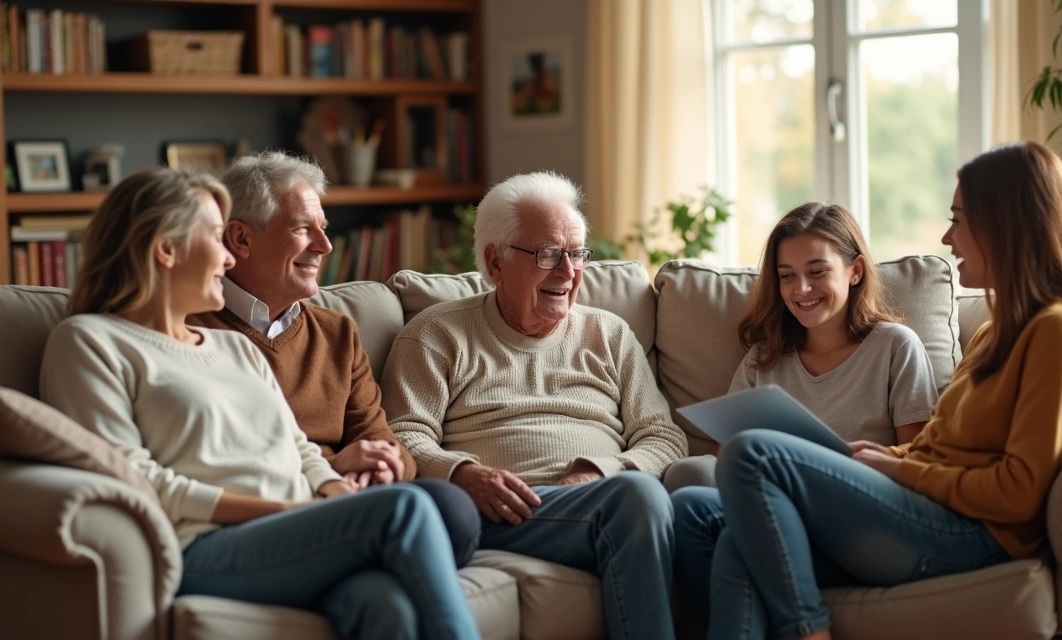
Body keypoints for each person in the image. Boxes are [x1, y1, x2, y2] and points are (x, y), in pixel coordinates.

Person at [673, 141, 1062, 640]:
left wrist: (900, 468)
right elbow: (944, 445)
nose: (949, 238)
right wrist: (881, 458)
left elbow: (1019, 492)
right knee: (703, 518)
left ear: (1005, 226)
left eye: (960, 220)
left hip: (972, 532)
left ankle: (808, 631)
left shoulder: (1061, 331)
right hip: (928, 508)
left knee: (753, 454)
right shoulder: (1001, 330)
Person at [40, 167, 480, 640]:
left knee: (385, 603)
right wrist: (281, 511)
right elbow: (133, 479)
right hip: (202, 544)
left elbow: (299, 449)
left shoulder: (233, 347)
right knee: (403, 510)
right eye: (215, 237)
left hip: (294, 527)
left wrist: (332, 492)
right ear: (166, 250)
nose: (227, 259)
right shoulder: (89, 341)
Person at [381, 171, 689, 639]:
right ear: (495, 261)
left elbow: (664, 436)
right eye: (548, 254)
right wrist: (461, 473)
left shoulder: (608, 335)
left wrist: (602, 471)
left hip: (602, 503)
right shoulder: (436, 334)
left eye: (577, 254)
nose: (568, 272)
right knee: (640, 499)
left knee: (667, 501)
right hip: (502, 514)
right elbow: (401, 434)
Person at [188, 151, 479, 567]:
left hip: (351, 498)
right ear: (241, 239)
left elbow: (380, 438)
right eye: (303, 229)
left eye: (323, 229)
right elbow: (218, 456)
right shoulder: (192, 329)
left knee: (453, 509)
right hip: (273, 506)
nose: (324, 246)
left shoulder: (336, 331)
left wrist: (383, 465)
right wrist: (334, 465)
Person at [663, 202, 938, 496]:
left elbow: (916, 463)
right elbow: (726, 464)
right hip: (767, 499)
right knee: (689, 474)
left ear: (855, 271)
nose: (801, 289)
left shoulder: (895, 347)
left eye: (817, 271)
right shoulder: (763, 359)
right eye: (787, 275)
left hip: (857, 502)